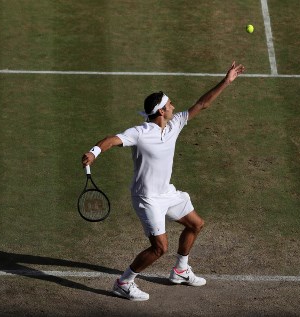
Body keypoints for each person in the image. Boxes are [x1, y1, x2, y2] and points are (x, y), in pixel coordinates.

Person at [81, 62, 245, 301]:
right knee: (160, 248)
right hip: (146, 198)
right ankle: (123, 282)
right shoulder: (140, 132)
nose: (173, 107)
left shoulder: (175, 124)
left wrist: (226, 81)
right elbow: (112, 139)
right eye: (169, 104)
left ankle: (180, 270)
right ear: (160, 111)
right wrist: (94, 152)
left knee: (195, 224)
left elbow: (202, 104)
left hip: (166, 193)